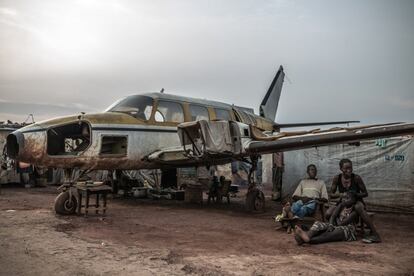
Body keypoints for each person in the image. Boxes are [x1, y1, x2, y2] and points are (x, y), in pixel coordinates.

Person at [327, 158, 381, 243]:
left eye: (350, 168)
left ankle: (375, 234)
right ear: (341, 169)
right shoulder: (337, 178)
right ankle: (336, 230)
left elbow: (365, 193)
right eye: (346, 168)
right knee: (328, 213)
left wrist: (354, 194)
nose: (349, 170)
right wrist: (342, 195)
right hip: (344, 202)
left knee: (358, 207)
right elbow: (331, 195)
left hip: (356, 201)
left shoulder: (356, 178)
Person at [294, 191, 358, 245]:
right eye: (343, 198)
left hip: (347, 230)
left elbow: (343, 223)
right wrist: (330, 225)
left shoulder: (354, 211)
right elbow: (333, 216)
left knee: (330, 234)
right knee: (318, 224)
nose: (344, 200)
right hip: (336, 225)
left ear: (353, 200)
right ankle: (307, 236)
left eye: (347, 198)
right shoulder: (341, 205)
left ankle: (306, 240)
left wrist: (332, 226)